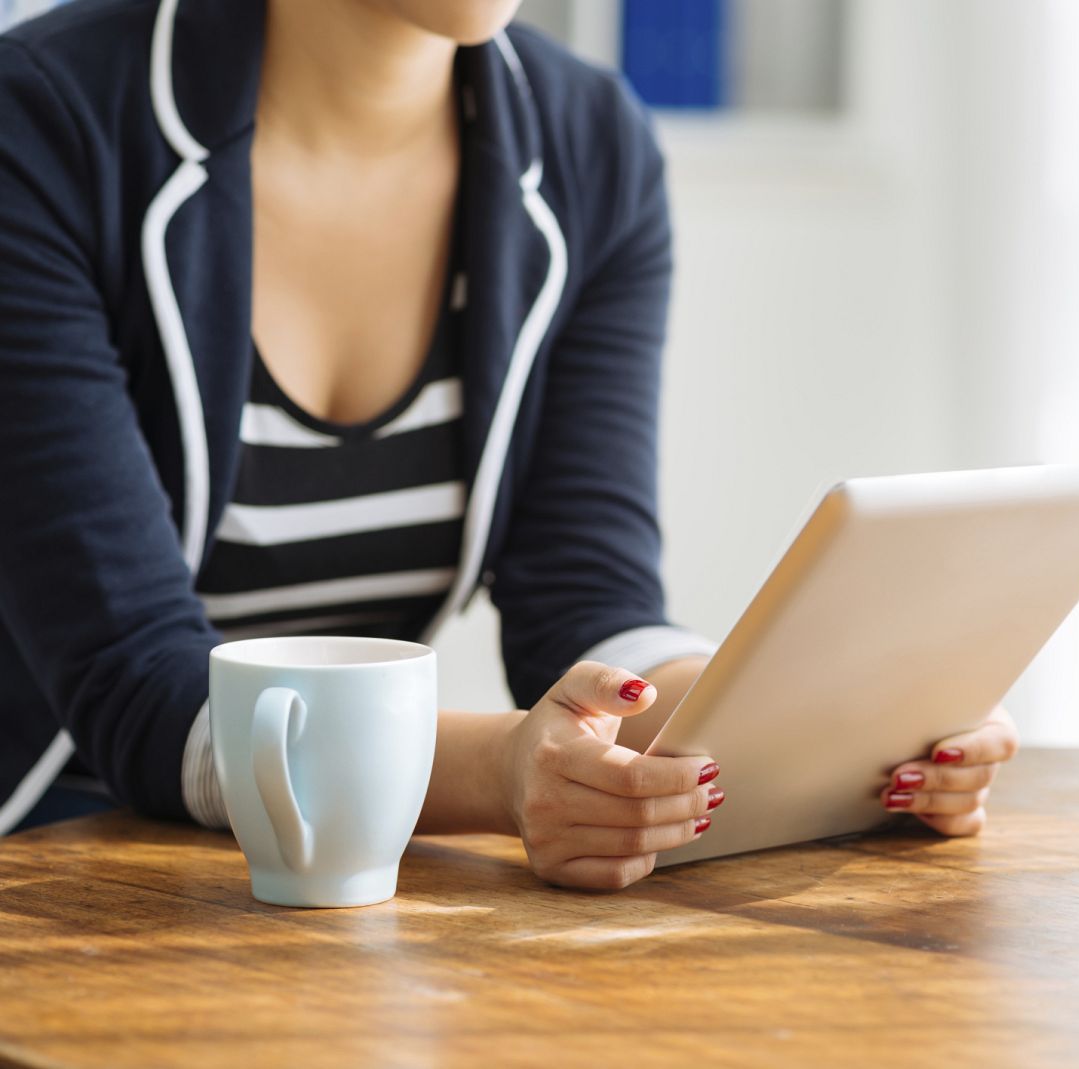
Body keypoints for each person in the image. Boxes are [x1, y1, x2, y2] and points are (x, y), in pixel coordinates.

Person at [0, 0, 1019, 888]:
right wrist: (506, 770)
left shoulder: (589, 144)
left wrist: (821, 725)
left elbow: (586, 603)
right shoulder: (41, 121)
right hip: (53, 863)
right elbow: (136, 685)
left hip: (327, 878)